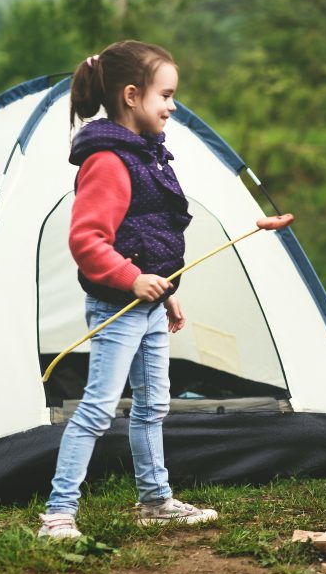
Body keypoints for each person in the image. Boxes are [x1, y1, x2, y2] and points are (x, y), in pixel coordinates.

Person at [38, 40, 218, 539]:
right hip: (117, 307)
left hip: (149, 306)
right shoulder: (109, 161)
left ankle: (155, 500)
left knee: (153, 404)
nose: (173, 105)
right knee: (97, 407)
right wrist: (132, 280)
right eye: (167, 94)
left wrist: (165, 289)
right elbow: (87, 241)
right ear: (133, 95)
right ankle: (58, 513)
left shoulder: (147, 154)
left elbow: (146, 235)